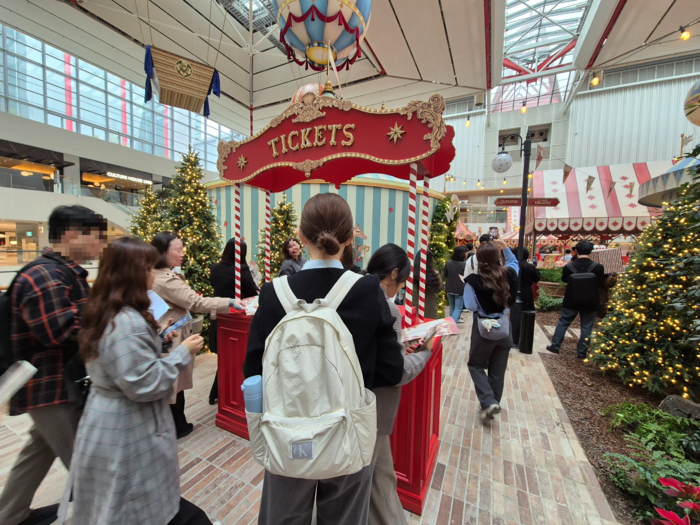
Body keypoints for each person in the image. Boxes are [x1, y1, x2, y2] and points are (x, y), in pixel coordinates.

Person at [243, 193, 404, 525]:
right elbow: (391, 371)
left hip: (286, 431)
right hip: (347, 431)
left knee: (283, 517)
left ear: (301, 236)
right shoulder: (368, 289)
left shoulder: (274, 292)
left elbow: (252, 368)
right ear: (349, 239)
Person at [57, 237, 219, 525]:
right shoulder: (127, 322)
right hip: (127, 429)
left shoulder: (107, 310)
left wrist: (159, 341)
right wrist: (182, 352)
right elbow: (144, 383)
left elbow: (126, 362)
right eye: (148, 268)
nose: (152, 274)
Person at [0, 205, 106, 525]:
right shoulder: (45, 275)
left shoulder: (60, 272)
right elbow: (62, 331)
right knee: (90, 468)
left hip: (52, 387)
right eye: (97, 237)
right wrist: (111, 325)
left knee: (38, 450)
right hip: (54, 389)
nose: (101, 245)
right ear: (73, 235)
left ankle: (9, 514)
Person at [365, 244, 432, 525]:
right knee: (372, 480)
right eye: (403, 279)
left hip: (355, 402)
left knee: (380, 477)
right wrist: (425, 352)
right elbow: (398, 372)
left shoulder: (355, 293)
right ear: (394, 274)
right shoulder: (388, 308)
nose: (403, 286)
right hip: (375, 407)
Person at [151, 232, 238, 439]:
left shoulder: (164, 274)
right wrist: (229, 302)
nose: (182, 254)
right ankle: (177, 426)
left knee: (175, 384)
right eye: (177, 250)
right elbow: (195, 302)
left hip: (169, 332)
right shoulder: (165, 280)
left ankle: (177, 423)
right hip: (172, 335)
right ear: (163, 253)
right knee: (174, 384)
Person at [463, 241, 518, 421]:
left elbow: (470, 306)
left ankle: (488, 401)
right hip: (504, 328)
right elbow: (514, 263)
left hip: (484, 330)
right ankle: (493, 403)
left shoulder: (472, 281)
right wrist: (505, 247)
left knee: (476, 365)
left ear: (478, 258)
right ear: (498, 257)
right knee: (498, 370)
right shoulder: (509, 274)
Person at [208, 239, 259, 405]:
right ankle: (226, 393)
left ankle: (216, 392)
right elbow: (251, 290)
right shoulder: (241, 270)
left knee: (224, 356)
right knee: (236, 357)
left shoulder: (214, 268)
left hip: (218, 315)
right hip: (237, 317)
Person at [546, 240, 605, 359]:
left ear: (576, 251)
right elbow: (600, 283)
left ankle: (555, 346)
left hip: (571, 300)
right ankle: (582, 352)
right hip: (591, 301)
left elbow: (564, 279)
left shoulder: (569, 267)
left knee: (563, 323)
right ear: (590, 251)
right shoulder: (599, 267)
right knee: (587, 327)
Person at [411, 250, 443, 319]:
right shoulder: (434, 274)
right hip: (429, 307)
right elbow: (439, 289)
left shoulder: (410, 273)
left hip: (411, 305)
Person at [444, 246, 468, 324]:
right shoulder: (465, 264)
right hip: (460, 288)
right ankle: (452, 324)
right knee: (458, 307)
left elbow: (445, 275)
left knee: (452, 306)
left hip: (449, 287)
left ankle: (450, 323)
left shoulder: (448, 263)